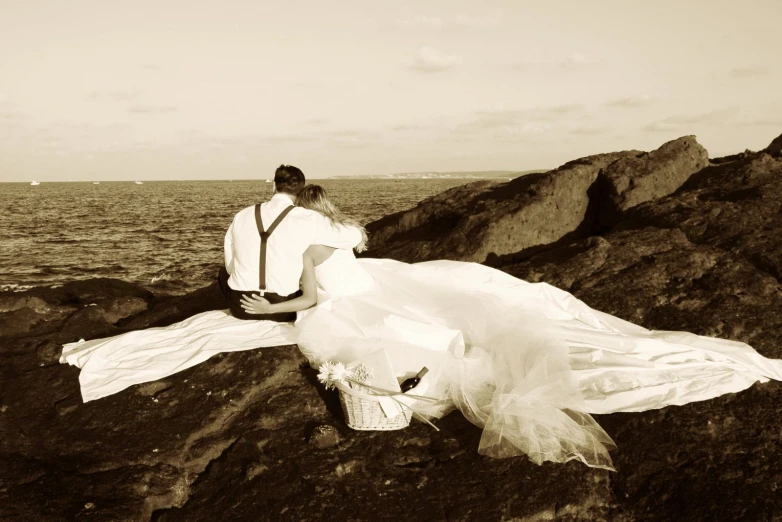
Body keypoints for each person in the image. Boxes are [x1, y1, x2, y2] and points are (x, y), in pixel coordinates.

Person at [239, 184, 782, 471]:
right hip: (375, 281)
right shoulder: (340, 233)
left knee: (387, 332)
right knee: (451, 307)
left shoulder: (308, 243)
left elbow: (309, 297)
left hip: (346, 302)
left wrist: (267, 309)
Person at [219, 165, 364, 322]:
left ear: (274, 186)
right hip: (283, 309)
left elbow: (230, 265)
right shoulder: (308, 218)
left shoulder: (242, 215)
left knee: (222, 273)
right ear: (300, 190)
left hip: (242, 307)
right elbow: (354, 236)